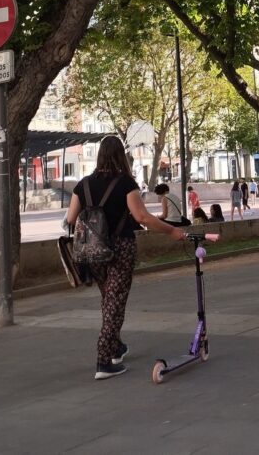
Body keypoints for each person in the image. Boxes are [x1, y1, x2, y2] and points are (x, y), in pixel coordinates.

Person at [64, 135, 187, 381]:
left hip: (91, 251)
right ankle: (103, 360)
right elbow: (142, 217)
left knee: (108, 298)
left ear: (99, 155)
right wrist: (172, 230)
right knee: (115, 301)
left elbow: (69, 219)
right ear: (121, 155)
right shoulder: (125, 183)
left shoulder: (83, 184)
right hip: (120, 247)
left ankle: (116, 347)